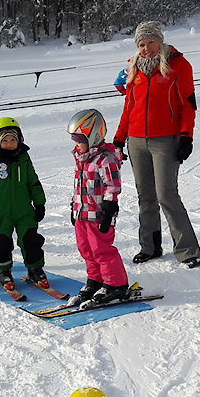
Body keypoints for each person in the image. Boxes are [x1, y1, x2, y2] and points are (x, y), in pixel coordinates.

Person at [112, 21, 200, 269]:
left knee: (167, 195)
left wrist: (186, 136)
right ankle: (149, 247)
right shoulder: (134, 68)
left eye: (150, 42)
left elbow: (188, 105)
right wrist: (120, 138)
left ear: (159, 40)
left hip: (165, 140)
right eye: (141, 44)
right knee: (146, 197)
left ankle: (187, 250)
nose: (146, 48)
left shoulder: (178, 65)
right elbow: (129, 107)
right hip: (137, 140)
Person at [65, 109, 131, 308]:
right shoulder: (81, 157)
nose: (76, 144)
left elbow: (113, 186)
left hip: (99, 214)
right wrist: (73, 206)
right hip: (82, 213)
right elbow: (79, 185)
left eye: (79, 139)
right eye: (74, 139)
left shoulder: (105, 158)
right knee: (86, 249)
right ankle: (95, 280)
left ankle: (116, 284)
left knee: (102, 250)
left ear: (93, 137)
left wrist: (109, 209)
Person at [0, 117, 47, 292]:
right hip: (1, 213)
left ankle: (35, 268)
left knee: (31, 240)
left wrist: (39, 204)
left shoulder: (24, 159)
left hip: (24, 211)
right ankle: (3, 271)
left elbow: (34, 183)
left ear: (20, 140)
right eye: (5, 141)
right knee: (1, 242)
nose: (9, 144)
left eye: (13, 140)